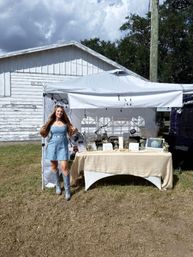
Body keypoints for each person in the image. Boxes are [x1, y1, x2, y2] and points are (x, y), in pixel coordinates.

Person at [40, 105, 77, 201]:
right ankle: (58, 186)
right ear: (55, 112)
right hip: (52, 146)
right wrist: (42, 131)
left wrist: (74, 130)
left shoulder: (66, 122)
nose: (59, 113)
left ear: (63, 113)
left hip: (63, 147)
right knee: (54, 167)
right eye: (58, 111)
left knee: (64, 167)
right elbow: (44, 134)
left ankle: (68, 190)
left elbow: (71, 133)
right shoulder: (50, 122)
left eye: (61, 111)